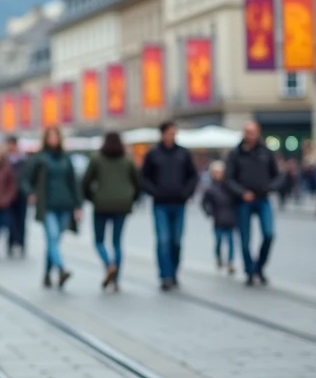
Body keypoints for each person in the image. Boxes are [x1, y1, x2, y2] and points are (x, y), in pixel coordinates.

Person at [140, 121, 198, 291]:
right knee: (163, 240)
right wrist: (154, 192)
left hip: (179, 203)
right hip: (161, 204)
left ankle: (173, 272)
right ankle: (165, 275)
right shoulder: (153, 153)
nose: (171, 136)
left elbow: (192, 176)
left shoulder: (183, 153)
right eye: (169, 133)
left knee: (176, 241)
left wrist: (186, 193)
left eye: (174, 133)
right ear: (162, 134)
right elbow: (144, 177)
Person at [23, 126, 82, 289]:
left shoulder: (65, 158)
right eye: (50, 136)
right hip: (47, 205)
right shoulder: (40, 158)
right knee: (53, 238)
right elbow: (26, 178)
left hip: (65, 205)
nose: (53, 139)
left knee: (53, 241)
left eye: (56, 136)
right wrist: (31, 193)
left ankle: (47, 273)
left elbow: (73, 182)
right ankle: (62, 269)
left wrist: (78, 205)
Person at [80, 131, 140, 291]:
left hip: (101, 204)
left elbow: (85, 182)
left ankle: (109, 264)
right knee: (117, 242)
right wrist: (131, 199)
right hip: (122, 204)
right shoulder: (127, 160)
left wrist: (93, 198)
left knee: (99, 241)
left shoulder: (96, 158)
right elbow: (138, 182)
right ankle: (116, 279)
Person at [225, 121, 280, 287]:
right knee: (245, 238)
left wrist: (270, 187)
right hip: (244, 201)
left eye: (252, 132)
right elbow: (229, 179)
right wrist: (242, 192)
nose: (249, 135)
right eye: (246, 132)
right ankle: (249, 270)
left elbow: (277, 175)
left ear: (258, 133)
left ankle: (259, 267)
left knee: (269, 234)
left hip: (263, 198)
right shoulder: (235, 153)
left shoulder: (266, 152)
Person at [201, 161, 238, 275]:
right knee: (218, 241)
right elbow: (205, 203)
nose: (218, 175)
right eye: (216, 172)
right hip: (218, 219)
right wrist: (209, 212)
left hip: (230, 218)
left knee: (231, 241)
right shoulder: (210, 188)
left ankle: (231, 262)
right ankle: (219, 258)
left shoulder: (229, 186)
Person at [5, 136, 29, 257]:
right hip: (7, 195)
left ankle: (21, 242)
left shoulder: (23, 159)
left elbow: (28, 176)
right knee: (10, 221)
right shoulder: (4, 160)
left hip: (21, 194)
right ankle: (11, 242)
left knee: (22, 220)